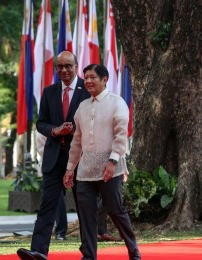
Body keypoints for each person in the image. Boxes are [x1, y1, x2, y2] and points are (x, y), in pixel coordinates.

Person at [17, 51, 91, 260]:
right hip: (54, 157)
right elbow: (41, 123)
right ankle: (38, 250)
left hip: (80, 158)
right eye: (60, 66)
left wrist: (74, 128)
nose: (64, 70)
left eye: (68, 66)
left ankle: (88, 252)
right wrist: (56, 130)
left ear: (77, 67)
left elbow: (94, 121)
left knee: (84, 206)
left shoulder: (86, 90)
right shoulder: (49, 92)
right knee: (47, 205)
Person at [63, 64, 140, 260]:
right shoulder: (82, 107)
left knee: (116, 210)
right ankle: (89, 255)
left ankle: (133, 251)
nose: (88, 81)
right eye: (86, 77)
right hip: (86, 170)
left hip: (110, 169)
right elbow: (77, 142)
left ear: (104, 79)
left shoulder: (117, 103)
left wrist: (113, 161)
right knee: (86, 215)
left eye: (93, 77)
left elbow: (121, 135)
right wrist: (70, 168)